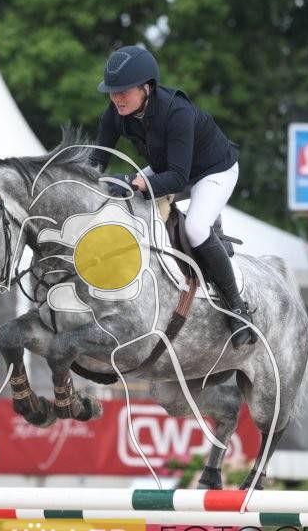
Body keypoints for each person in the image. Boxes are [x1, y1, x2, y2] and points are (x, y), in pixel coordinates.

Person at [90, 45, 256, 348]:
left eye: (123, 91)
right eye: (112, 92)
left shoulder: (177, 112)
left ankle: (238, 309)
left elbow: (178, 180)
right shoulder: (115, 114)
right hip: (170, 167)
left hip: (213, 171)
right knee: (120, 205)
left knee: (195, 228)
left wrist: (134, 182)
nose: (116, 98)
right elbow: (95, 162)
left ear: (147, 87)